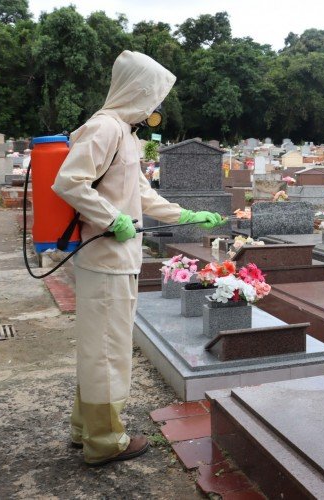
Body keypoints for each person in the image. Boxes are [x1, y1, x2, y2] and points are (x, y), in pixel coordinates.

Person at [53, 50, 223, 466]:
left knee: (101, 347)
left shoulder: (123, 133)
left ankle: (85, 428)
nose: (156, 107)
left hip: (116, 257)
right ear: (137, 90)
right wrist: (113, 220)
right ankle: (105, 441)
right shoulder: (104, 128)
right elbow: (69, 182)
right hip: (105, 257)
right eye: (153, 96)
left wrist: (184, 214)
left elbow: (140, 193)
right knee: (108, 350)